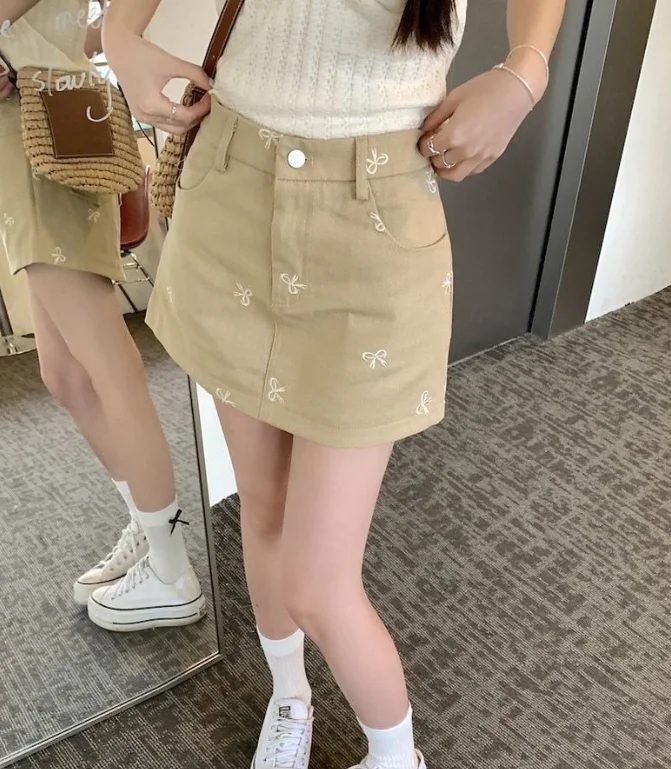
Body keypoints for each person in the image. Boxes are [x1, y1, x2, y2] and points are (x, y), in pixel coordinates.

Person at [103, 0, 565, 764]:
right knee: (263, 507)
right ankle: (291, 699)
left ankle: (397, 758)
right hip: (231, 184)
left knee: (318, 583)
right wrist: (119, 33)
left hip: (374, 213)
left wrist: (525, 70)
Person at [0, 0, 205, 632]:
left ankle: (171, 569)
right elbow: (74, 27)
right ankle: (149, 525)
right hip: (44, 117)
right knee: (65, 373)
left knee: (107, 365)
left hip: (40, 128)